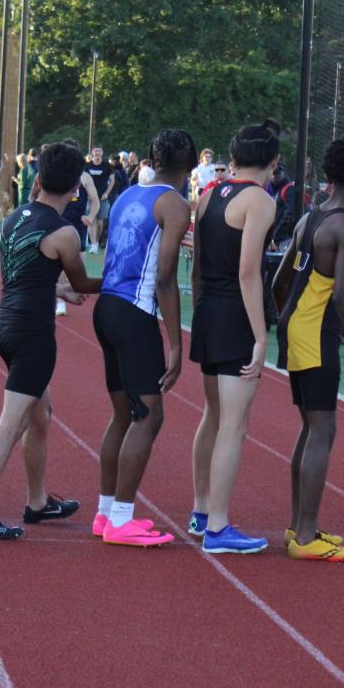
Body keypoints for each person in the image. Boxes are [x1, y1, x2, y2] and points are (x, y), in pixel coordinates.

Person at [0, 141, 101, 539]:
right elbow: (83, 282)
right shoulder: (64, 233)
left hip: (7, 325)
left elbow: (23, 277)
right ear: (75, 188)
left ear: (37, 179)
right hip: (34, 334)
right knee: (13, 422)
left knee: (40, 414)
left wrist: (58, 290)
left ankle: (37, 503)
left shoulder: (12, 218)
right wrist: (124, 281)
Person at [273, 135, 344, 561]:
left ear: (328, 173)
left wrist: (287, 320)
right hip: (316, 331)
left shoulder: (310, 218)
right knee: (322, 429)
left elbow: (278, 279)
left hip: (296, 325)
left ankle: (299, 526)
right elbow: (341, 296)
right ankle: (305, 537)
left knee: (312, 427)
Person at [92, 127, 196, 547]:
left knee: (123, 414)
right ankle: (121, 519)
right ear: (190, 166)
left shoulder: (127, 195)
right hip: (134, 312)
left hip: (107, 306)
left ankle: (105, 513)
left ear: (152, 159)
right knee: (149, 416)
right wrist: (176, 343)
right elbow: (166, 277)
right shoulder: (175, 204)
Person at [188, 120, 279, 553]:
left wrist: (199, 311)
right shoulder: (259, 200)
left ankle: (202, 510)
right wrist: (260, 336)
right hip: (234, 316)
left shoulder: (208, 194)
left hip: (208, 311)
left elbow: (197, 264)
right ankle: (218, 527)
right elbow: (248, 273)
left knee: (212, 415)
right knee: (233, 424)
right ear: (273, 163)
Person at [56, 161, 99, 315]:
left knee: (79, 265)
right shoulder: (58, 174)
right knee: (61, 262)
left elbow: (95, 200)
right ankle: (60, 302)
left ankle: (72, 288)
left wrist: (91, 217)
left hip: (79, 224)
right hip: (60, 222)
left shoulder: (85, 177)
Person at [85, 146, 114, 253]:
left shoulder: (107, 166)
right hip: (90, 198)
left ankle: (96, 242)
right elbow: (82, 179)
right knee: (91, 220)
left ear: (102, 153)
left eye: (99, 151)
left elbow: (112, 181)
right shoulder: (87, 165)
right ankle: (93, 244)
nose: (97, 152)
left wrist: (106, 193)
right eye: (95, 151)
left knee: (100, 222)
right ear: (92, 153)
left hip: (102, 198)